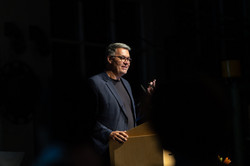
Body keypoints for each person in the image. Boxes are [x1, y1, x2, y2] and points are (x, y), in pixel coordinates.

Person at [87, 43, 156, 165]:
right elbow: (86, 119)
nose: (127, 62)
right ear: (110, 59)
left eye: (128, 59)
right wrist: (109, 133)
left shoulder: (126, 84)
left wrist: (147, 98)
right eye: (122, 58)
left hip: (127, 151)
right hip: (106, 153)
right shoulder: (95, 83)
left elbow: (132, 116)